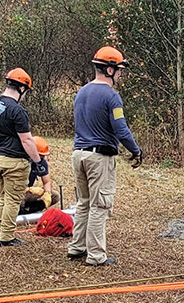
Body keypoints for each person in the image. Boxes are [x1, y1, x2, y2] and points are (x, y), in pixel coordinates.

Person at [68, 46, 142, 266]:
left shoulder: (81, 92)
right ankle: (96, 256)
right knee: (100, 206)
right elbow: (121, 130)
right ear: (109, 70)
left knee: (83, 203)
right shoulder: (112, 96)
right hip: (99, 158)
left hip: (78, 154)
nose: (120, 74)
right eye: (119, 69)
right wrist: (136, 150)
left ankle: (77, 247)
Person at [0, 67, 44, 247]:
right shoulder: (17, 111)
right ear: (21, 88)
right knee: (13, 200)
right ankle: (7, 237)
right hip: (14, 162)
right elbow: (27, 140)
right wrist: (38, 162)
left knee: (4, 197)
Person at [19, 136, 58, 214]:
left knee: (55, 196)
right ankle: (19, 211)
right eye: (40, 155)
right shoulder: (20, 161)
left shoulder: (42, 163)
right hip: (18, 191)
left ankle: (30, 210)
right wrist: (28, 189)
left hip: (28, 192)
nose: (42, 158)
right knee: (19, 197)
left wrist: (47, 194)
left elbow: (47, 182)